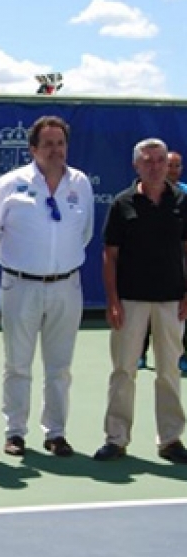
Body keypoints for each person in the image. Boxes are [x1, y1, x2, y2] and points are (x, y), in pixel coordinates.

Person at [0, 116, 94, 458]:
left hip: (67, 286)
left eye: (60, 143)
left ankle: (56, 433)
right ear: (33, 149)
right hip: (20, 285)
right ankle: (15, 432)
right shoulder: (9, 184)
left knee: (60, 367)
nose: (55, 150)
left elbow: (85, 233)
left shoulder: (80, 184)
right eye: (47, 144)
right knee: (17, 364)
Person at [96, 138, 187, 464]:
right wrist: (113, 301)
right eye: (148, 161)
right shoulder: (122, 203)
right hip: (130, 300)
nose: (156, 166)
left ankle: (171, 439)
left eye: (161, 160)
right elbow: (110, 256)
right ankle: (116, 439)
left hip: (171, 301)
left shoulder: (181, 201)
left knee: (169, 372)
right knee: (123, 370)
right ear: (136, 165)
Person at [138, 149, 187, 370]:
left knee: (179, 315)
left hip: (178, 264)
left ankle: (182, 356)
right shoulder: (139, 195)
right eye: (171, 165)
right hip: (148, 267)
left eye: (178, 166)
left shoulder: (184, 196)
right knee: (146, 316)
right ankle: (141, 354)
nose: (174, 170)